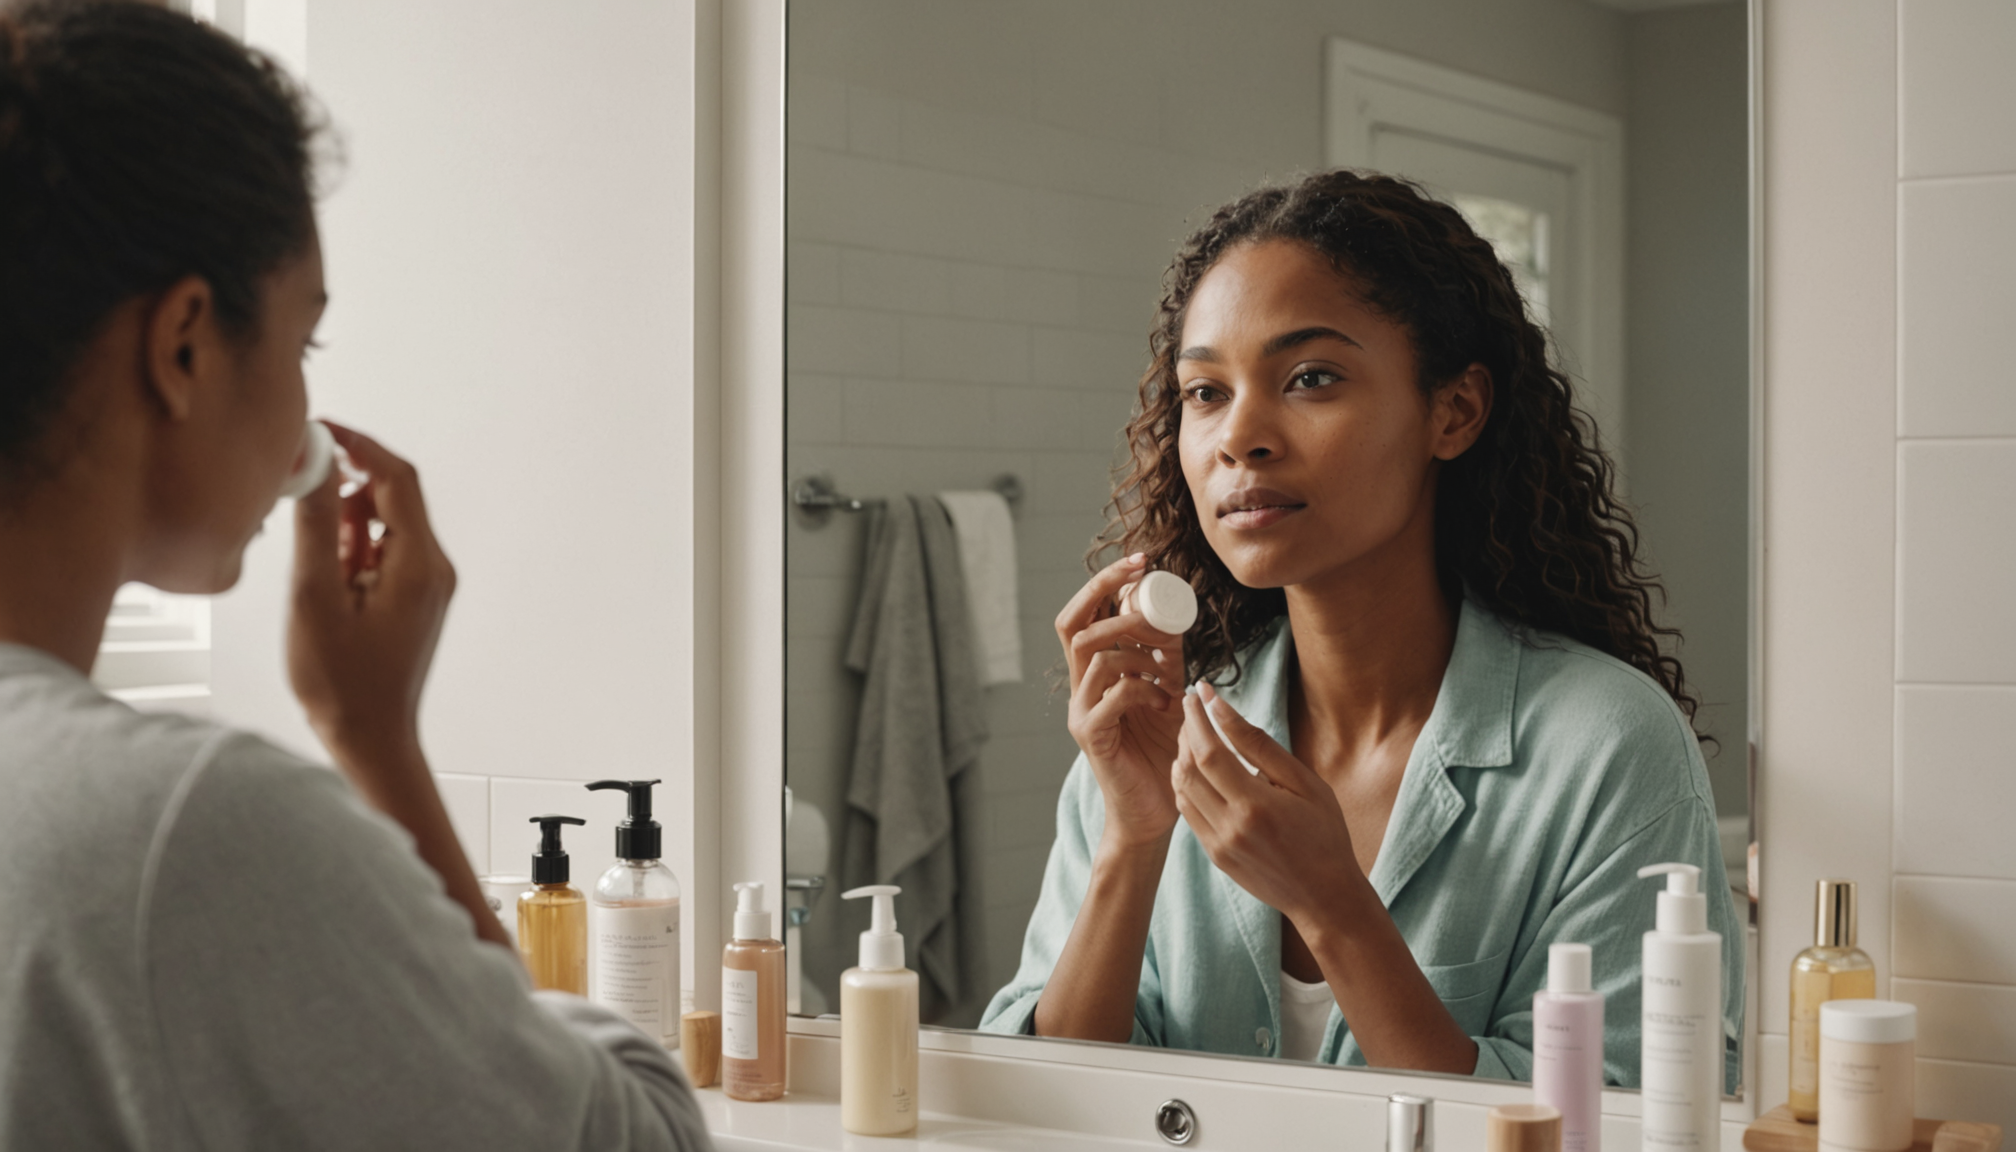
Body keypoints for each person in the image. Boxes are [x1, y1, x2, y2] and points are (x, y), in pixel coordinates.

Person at [0, 4, 710, 1148]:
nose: (304, 406)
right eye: (301, 346)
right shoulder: (190, 837)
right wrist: (377, 739)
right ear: (183, 345)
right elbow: (633, 1135)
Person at [980, 170, 1744, 1089]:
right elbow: (1048, 1106)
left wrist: (1336, 909)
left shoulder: (1608, 748)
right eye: (1205, 392)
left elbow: (1621, 1124)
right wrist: (1133, 843)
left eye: (1310, 378)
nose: (1240, 437)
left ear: (1453, 411)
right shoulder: (1154, 739)